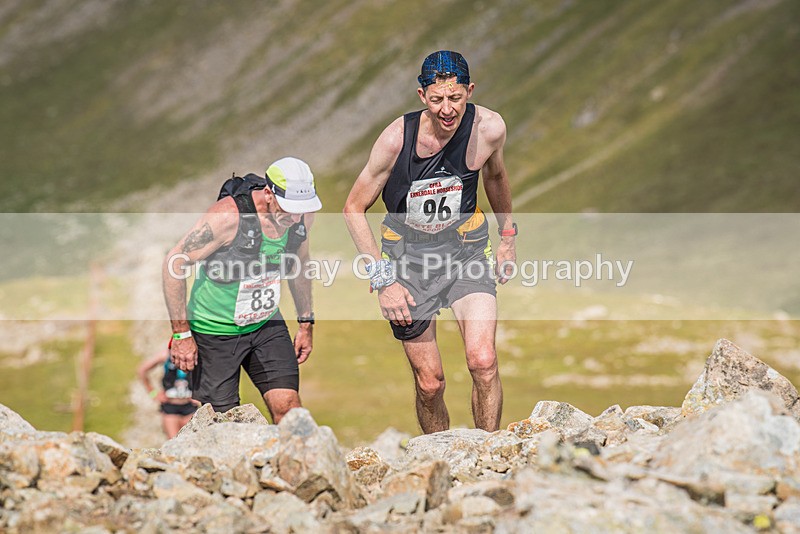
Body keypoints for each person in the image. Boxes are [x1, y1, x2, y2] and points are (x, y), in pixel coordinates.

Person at [343, 50, 516, 434]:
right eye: (437, 99)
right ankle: (440, 456)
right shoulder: (396, 139)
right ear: (422, 96)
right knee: (430, 383)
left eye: (455, 98)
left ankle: (489, 453)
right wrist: (383, 280)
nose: (447, 109)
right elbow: (353, 207)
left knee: (483, 361)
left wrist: (507, 236)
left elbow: (496, 177)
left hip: (466, 251)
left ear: (469, 91)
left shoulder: (489, 129)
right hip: (408, 262)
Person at [163, 157, 321, 423]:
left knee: (289, 408)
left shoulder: (301, 218)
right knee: (222, 423)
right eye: (289, 208)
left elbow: (300, 265)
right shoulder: (227, 217)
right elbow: (174, 264)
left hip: (265, 324)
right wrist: (181, 333)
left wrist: (306, 323)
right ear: (269, 194)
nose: (295, 218)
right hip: (214, 331)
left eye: (301, 209)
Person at [137, 339, 199, 439]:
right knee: (173, 442)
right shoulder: (165, 355)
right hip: (170, 406)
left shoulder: (193, 354)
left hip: (189, 406)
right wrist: (153, 393)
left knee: (191, 441)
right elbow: (142, 370)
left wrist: (200, 394)